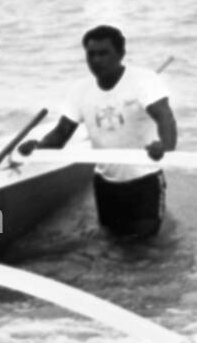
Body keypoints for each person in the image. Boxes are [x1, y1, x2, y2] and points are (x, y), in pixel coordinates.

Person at [18, 25, 177, 238]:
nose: (96, 60)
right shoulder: (80, 90)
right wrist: (36, 147)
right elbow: (61, 134)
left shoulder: (144, 80)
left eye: (103, 53)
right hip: (105, 183)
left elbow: (165, 118)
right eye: (91, 54)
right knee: (112, 241)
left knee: (146, 246)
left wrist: (164, 147)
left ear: (120, 54)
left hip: (145, 181)